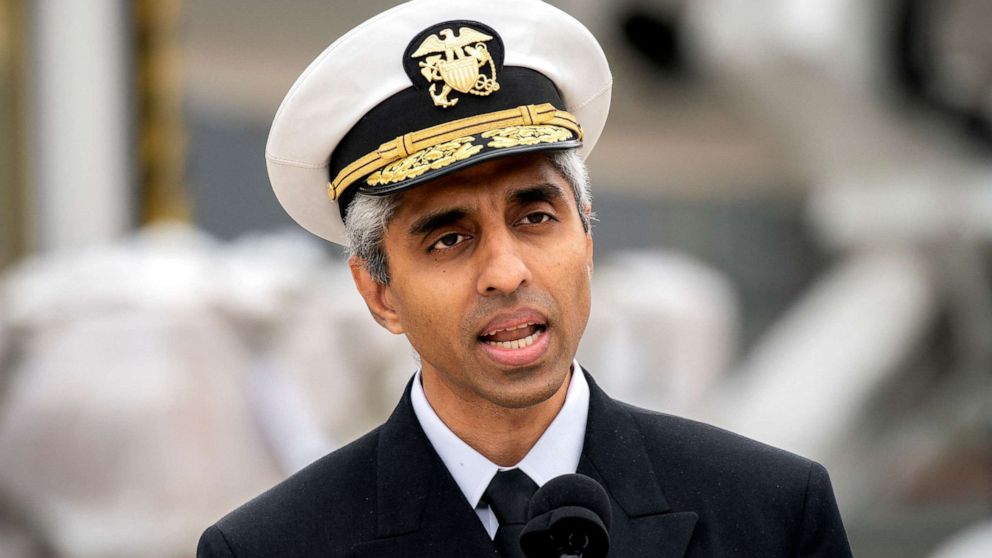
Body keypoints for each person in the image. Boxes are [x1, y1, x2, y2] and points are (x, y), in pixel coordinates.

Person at [197, 0, 853, 556]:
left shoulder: (771, 515)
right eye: (448, 239)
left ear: (587, 237)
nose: (506, 273)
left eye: (536, 216)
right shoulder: (271, 548)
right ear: (379, 292)